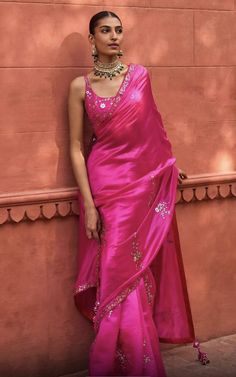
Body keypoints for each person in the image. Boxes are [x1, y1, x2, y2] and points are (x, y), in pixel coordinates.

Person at [68, 10, 209, 377]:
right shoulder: (79, 87)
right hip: (105, 188)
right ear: (92, 38)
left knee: (132, 266)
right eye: (105, 30)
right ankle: (115, 360)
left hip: (140, 186)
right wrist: (89, 204)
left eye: (118, 30)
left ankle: (136, 360)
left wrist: (167, 167)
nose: (114, 36)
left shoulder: (140, 76)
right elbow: (76, 148)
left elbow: (154, 130)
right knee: (116, 266)